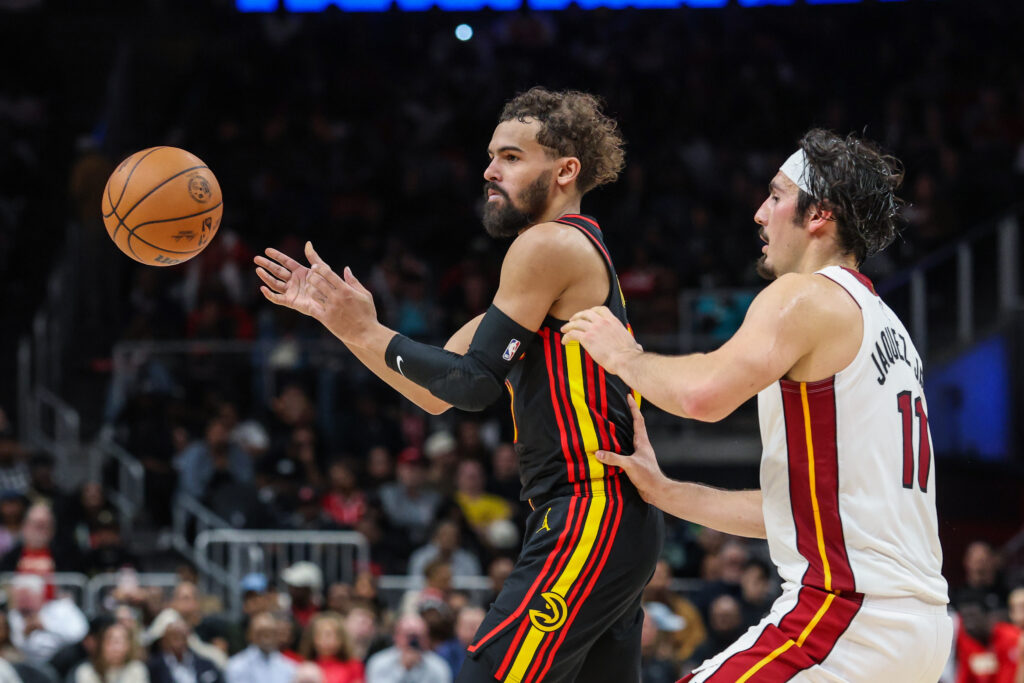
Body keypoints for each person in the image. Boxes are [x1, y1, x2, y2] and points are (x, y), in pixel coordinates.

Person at [255, 86, 663, 683]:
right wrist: (348, 329)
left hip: (591, 512)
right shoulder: (554, 265)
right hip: (608, 519)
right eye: (492, 155)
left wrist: (364, 328)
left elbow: (473, 386)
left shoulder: (547, 244)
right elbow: (435, 391)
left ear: (566, 170)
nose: (489, 170)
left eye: (511, 157)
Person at [564, 129, 951, 681]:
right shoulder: (890, 329)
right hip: (918, 629)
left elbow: (703, 395)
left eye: (775, 195)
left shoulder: (807, 295)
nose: (759, 213)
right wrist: (668, 491)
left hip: (845, 615)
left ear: (819, 215)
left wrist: (625, 355)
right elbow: (802, 514)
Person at [364, 615, 451, 683]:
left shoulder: (438, 667)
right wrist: (403, 669)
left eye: (418, 636)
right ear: (396, 636)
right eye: (409, 636)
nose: (413, 642)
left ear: (426, 639)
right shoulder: (379, 663)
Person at [224, 612, 296, 683]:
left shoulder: (289, 667)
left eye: (271, 632)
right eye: (261, 633)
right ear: (250, 635)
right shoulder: (236, 666)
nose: (266, 638)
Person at [71, 621, 149, 683]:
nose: (115, 648)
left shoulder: (137, 670)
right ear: (101, 644)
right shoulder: (86, 671)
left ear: (128, 646)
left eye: (119, 642)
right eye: (110, 641)